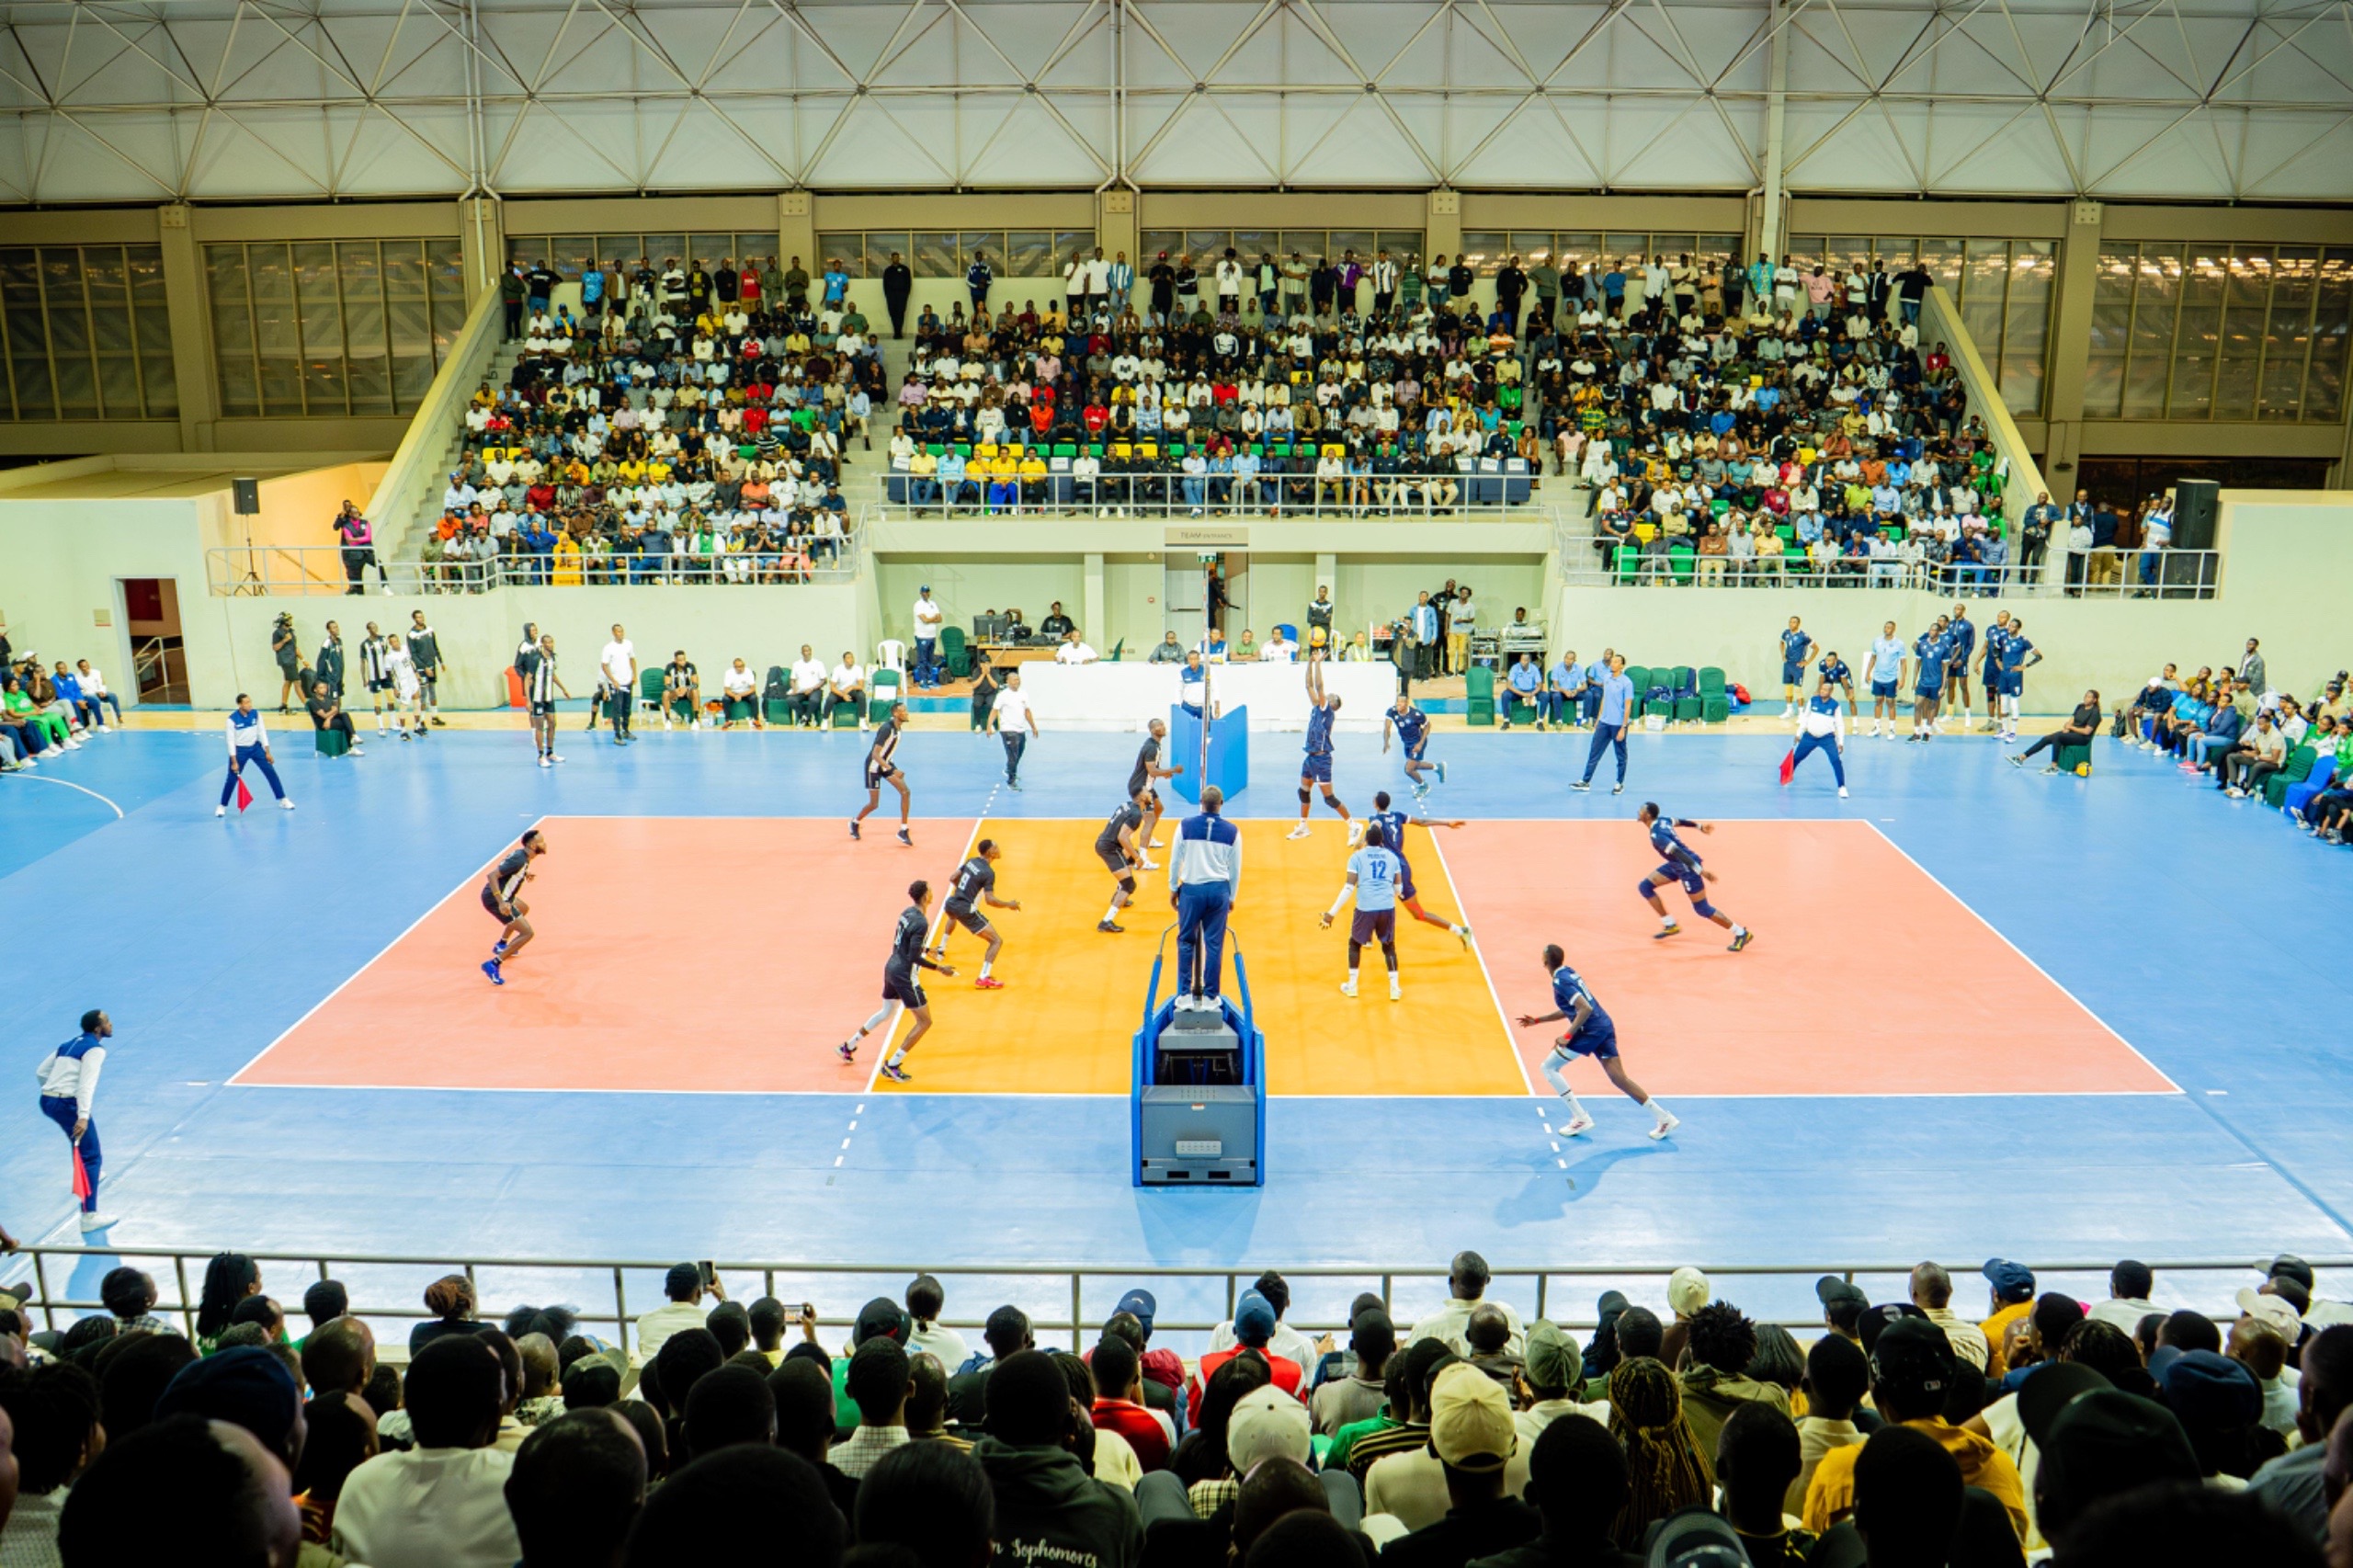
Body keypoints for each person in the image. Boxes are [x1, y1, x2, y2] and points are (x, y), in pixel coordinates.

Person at [1518, 946, 1677, 1142]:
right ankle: (1664, 1117)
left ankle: (1580, 1118)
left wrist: (1567, 1036)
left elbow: (1584, 1009)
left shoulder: (1561, 982)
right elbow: (1572, 1008)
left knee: (1549, 1068)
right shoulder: (1569, 973)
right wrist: (1538, 1020)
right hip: (1604, 1025)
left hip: (1590, 1031)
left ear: (1545, 962)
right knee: (1619, 1079)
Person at [841, 881, 955, 1083]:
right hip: (904, 974)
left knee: (886, 1012)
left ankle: (849, 1045)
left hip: (891, 967)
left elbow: (904, 943)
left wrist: (927, 950)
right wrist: (939, 968)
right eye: (930, 890)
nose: (932, 892)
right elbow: (912, 957)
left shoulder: (907, 912)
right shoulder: (921, 922)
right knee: (925, 1021)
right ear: (925, 896)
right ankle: (892, 1064)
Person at [39, 1008, 117, 1232]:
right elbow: (86, 1084)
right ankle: (88, 1216)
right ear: (97, 1028)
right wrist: (82, 1116)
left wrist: (55, 1090)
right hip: (67, 1105)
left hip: (47, 1101)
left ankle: (88, 1175)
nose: (110, 1025)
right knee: (92, 1156)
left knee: (78, 1143)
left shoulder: (68, 1044)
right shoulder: (95, 1050)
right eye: (107, 1022)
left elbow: (41, 1072)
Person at [1635, 803, 1753, 950]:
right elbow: (1680, 822)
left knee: (1702, 908)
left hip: (1687, 866)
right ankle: (1670, 924)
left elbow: (1678, 852)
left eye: (1641, 810)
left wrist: (1700, 871)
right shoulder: (1663, 820)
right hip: (1675, 864)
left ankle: (1741, 933)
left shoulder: (1657, 836)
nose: (1638, 811)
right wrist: (1699, 826)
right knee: (1645, 887)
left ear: (1647, 815)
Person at [1169, 784, 1241, 1013]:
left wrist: (1173, 888)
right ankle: (1211, 996)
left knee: (1186, 941)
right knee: (1214, 945)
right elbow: (1235, 870)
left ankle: (1184, 995)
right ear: (1221, 804)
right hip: (1219, 891)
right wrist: (1231, 896)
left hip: (1191, 890)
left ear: (1201, 802)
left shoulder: (1184, 826)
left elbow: (1174, 861)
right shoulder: (1233, 832)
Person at [1368, 790, 1472, 946]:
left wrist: (1361, 842)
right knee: (1418, 913)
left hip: (1393, 871)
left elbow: (1374, 828)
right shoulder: (1398, 816)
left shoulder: (1375, 820)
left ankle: (1368, 935)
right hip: (1403, 868)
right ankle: (1460, 931)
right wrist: (1446, 823)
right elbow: (1422, 822)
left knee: (1373, 896)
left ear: (1375, 803)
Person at [1321, 820, 1404, 1001]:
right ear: (1382, 841)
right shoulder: (1392, 858)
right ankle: (1395, 989)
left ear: (1366, 839)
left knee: (1355, 944)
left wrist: (1331, 913)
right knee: (1388, 947)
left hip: (1365, 907)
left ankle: (1352, 986)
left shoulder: (1357, 857)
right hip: (1387, 907)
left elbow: (1349, 888)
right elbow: (1399, 890)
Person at [934, 839, 1019, 991]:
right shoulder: (988, 872)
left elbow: (953, 878)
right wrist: (1009, 905)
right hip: (965, 908)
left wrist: (964, 892)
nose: (999, 848)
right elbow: (990, 900)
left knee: (953, 918)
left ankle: (941, 947)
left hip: (952, 902)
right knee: (996, 941)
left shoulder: (971, 860)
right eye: (996, 847)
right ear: (990, 853)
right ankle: (983, 977)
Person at [1289, 651, 1356, 841]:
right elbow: (1309, 685)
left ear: (1333, 704)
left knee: (1329, 798)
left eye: (1331, 696)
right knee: (1303, 791)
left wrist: (1319, 663)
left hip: (1322, 758)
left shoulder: (1327, 712)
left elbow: (1319, 686)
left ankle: (1353, 825)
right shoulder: (1317, 707)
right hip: (1310, 757)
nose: (1327, 695)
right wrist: (1309, 663)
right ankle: (1303, 826)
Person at [480, 828, 548, 986]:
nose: (545, 844)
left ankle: (502, 944)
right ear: (532, 845)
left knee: (523, 909)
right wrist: (502, 902)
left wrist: (525, 874)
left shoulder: (523, 857)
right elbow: (492, 876)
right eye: (541, 841)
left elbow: (511, 870)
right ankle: (494, 964)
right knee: (527, 933)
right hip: (495, 898)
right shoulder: (520, 859)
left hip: (504, 897)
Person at [217, 694, 295, 816]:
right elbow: (230, 741)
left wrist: (267, 752)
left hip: (255, 748)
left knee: (270, 772)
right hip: (240, 751)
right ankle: (222, 806)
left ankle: (283, 799)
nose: (249, 705)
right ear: (240, 705)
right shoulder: (232, 720)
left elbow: (262, 733)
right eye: (246, 703)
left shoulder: (256, 714)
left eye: (250, 702)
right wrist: (234, 761)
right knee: (232, 779)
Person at [1571, 653, 1635, 795]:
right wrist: (1599, 719)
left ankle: (1619, 783)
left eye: (1617, 662)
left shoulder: (1627, 683)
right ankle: (1585, 781)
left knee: (1620, 755)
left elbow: (1628, 706)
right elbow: (1604, 699)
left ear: (1622, 666)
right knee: (1594, 753)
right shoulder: (1606, 678)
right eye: (1612, 661)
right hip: (1604, 723)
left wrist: (1623, 727)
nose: (1613, 663)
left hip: (1618, 724)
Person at [851, 700, 913, 846]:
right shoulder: (886, 729)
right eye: (903, 711)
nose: (906, 713)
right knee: (874, 804)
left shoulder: (898, 728)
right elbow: (875, 755)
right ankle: (855, 822)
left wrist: (890, 765)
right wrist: (892, 770)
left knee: (905, 792)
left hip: (886, 764)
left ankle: (903, 829)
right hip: (874, 766)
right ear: (895, 714)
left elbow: (887, 751)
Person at [1095, 785, 1149, 935]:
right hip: (1109, 848)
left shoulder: (1127, 805)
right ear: (1141, 797)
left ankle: (1120, 897)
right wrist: (1138, 858)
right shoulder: (1136, 814)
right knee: (1129, 884)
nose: (1149, 793)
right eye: (1146, 791)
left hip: (1106, 842)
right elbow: (1123, 837)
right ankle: (1106, 921)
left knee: (1130, 857)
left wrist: (1132, 855)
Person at [1129, 717, 1182, 866]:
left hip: (1148, 786)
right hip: (1141, 788)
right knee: (1149, 819)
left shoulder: (1155, 745)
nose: (1163, 727)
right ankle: (1143, 858)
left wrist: (1164, 773)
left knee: (1159, 809)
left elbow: (1152, 771)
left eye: (1163, 724)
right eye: (1159, 726)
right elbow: (1151, 770)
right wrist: (1172, 770)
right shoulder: (1152, 747)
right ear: (1153, 730)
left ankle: (1149, 838)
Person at [2011, 690, 2104, 775]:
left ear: (2094, 700)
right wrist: (2067, 727)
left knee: (2058, 737)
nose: (2086, 698)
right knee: (2046, 738)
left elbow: (2087, 731)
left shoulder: (2095, 713)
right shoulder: (2080, 706)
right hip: (2072, 733)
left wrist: (2071, 727)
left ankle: (2053, 766)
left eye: (2089, 697)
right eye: (2085, 696)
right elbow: (2072, 720)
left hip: (2083, 738)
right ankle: (2021, 758)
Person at [1787, 678, 1849, 798]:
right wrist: (1798, 733)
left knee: (1836, 760)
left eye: (1825, 690)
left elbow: (1840, 724)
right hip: (1809, 737)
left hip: (1827, 738)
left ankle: (1842, 787)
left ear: (1831, 691)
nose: (1822, 691)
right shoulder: (1813, 701)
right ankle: (1787, 776)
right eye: (1821, 689)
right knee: (1797, 758)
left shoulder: (1835, 705)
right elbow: (1805, 718)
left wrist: (1840, 742)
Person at [517, 631, 569, 768]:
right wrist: (528, 700)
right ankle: (540, 756)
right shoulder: (536, 659)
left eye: (552, 642)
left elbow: (552, 675)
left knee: (552, 723)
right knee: (540, 726)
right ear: (542, 644)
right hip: (537, 699)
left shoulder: (552, 659)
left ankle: (550, 752)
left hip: (549, 698)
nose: (550, 645)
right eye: (547, 642)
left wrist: (563, 689)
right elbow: (527, 678)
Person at [1385, 690, 1447, 798]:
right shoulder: (1392, 712)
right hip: (1406, 743)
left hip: (1417, 742)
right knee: (1415, 765)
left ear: (1407, 703)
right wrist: (1386, 742)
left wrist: (1420, 744)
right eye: (1397, 702)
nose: (1398, 705)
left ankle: (1424, 786)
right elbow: (1387, 728)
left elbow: (1427, 726)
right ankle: (1437, 767)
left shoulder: (1416, 714)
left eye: (1401, 703)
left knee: (1409, 769)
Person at [988, 668, 1039, 790]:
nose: (1017, 682)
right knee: (1013, 755)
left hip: (1020, 729)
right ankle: (1011, 781)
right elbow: (994, 711)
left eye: (1018, 680)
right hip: (1008, 730)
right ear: (1008, 681)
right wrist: (989, 725)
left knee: (1019, 752)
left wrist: (1033, 727)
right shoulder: (1003, 696)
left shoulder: (1024, 694)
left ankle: (1010, 769)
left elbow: (1027, 711)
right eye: (1015, 680)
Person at [1906, 620, 1948, 744]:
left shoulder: (1943, 647)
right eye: (1930, 630)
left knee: (1932, 707)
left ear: (1939, 632)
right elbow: (1917, 663)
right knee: (1918, 704)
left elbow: (1945, 668)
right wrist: (1914, 681)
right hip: (1923, 681)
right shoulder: (1923, 645)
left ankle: (1927, 732)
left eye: (1934, 630)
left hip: (1936, 682)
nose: (1931, 632)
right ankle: (1916, 732)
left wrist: (1943, 686)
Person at [598, 624, 637, 745]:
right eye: (618, 632)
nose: (620, 633)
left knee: (627, 708)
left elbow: (632, 659)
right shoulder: (608, 648)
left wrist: (634, 675)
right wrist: (613, 680)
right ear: (613, 633)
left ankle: (626, 730)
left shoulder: (628, 644)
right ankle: (617, 734)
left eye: (622, 631)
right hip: (616, 684)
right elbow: (604, 665)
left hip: (628, 681)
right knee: (617, 709)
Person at [1779, 617, 1814, 719]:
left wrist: (1807, 661)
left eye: (1794, 622)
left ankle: (1801, 713)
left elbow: (1816, 648)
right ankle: (1789, 710)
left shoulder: (1803, 636)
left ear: (1798, 624)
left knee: (1798, 689)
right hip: (1788, 664)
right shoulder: (1786, 633)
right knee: (1788, 688)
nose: (1791, 624)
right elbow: (1781, 642)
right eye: (1790, 622)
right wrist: (1783, 655)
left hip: (1798, 665)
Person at [271, 611, 305, 711]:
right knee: (297, 682)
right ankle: (307, 705)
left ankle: (283, 704)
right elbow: (275, 647)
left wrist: (303, 659)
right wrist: (284, 640)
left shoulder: (291, 632)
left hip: (292, 659)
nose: (290, 621)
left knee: (288, 681)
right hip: (286, 661)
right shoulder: (277, 633)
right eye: (288, 619)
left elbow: (295, 647)